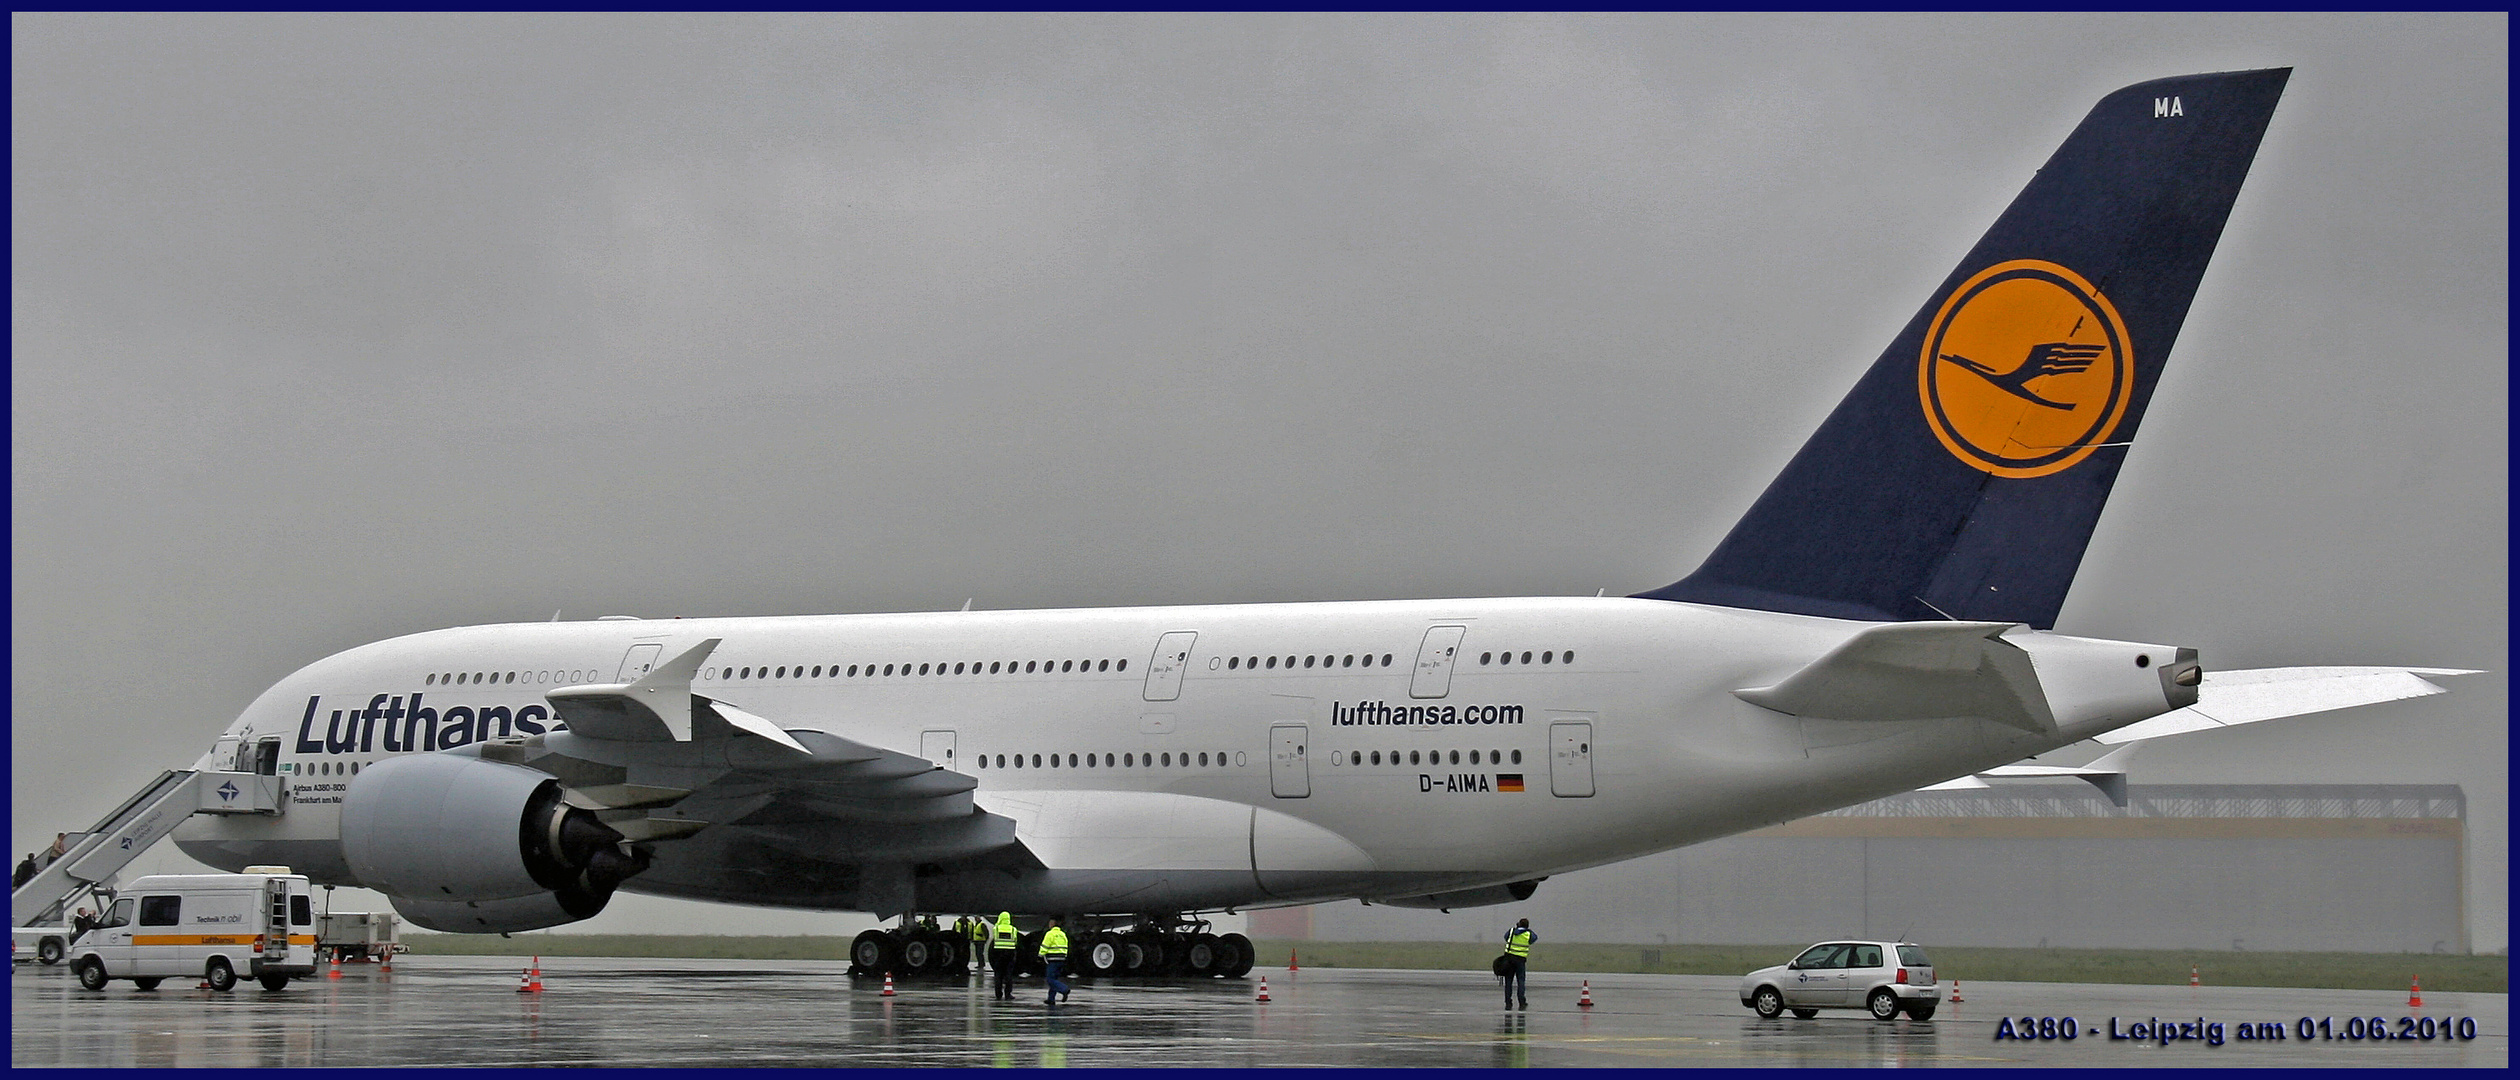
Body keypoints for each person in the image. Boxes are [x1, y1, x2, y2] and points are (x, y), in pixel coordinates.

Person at [1501, 918, 1535, 1009]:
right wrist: (1527, 929)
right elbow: (1534, 938)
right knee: (1521, 981)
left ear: (1519, 924)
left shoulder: (1512, 931)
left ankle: (1508, 1001)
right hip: (1520, 960)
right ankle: (1521, 1001)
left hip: (1509, 959)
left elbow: (1505, 937)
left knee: (1508, 981)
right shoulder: (1528, 934)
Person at [1039, 917, 1070, 1006]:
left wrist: (1040, 955)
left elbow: (1045, 946)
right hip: (1061, 959)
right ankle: (1051, 999)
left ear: (1052, 924)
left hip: (1052, 959)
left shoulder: (1050, 934)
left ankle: (1064, 989)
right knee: (1055, 979)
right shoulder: (1062, 934)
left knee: (1050, 979)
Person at [989, 911, 1020, 1001]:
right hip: (1010, 953)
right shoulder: (1013, 929)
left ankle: (998, 994)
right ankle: (1008, 994)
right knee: (1008, 975)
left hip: (998, 953)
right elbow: (1015, 941)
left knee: (998, 974)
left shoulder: (996, 928)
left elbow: (994, 939)